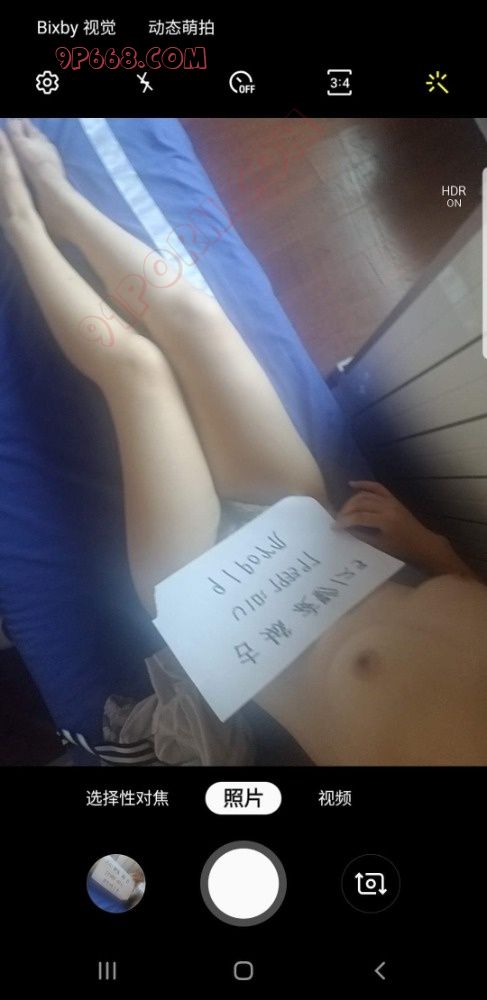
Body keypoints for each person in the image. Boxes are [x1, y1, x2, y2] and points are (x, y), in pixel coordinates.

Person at [1, 120, 486, 766]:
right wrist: (427, 546)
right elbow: (464, 582)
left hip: (209, 599)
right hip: (308, 531)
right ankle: (62, 203)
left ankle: (20, 225)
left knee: (138, 371)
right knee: (199, 318)